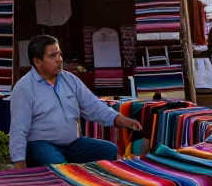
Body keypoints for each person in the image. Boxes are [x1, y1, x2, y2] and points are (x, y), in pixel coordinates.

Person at [10, 35, 143, 167]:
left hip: (73, 144)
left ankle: (89, 183)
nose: (59, 60)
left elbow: (94, 106)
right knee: (57, 164)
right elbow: (19, 129)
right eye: (52, 56)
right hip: (41, 145)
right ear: (37, 62)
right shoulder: (24, 88)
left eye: (59, 54)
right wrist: (19, 163)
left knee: (110, 150)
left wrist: (122, 120)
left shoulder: (69, 79)